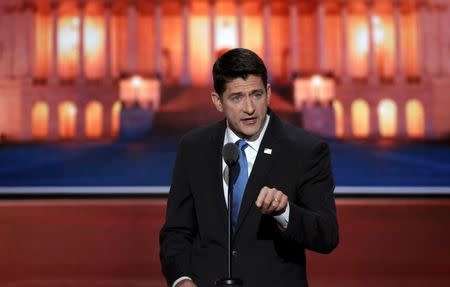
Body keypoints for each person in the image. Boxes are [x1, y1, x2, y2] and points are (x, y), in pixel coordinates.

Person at [160, 48, 339, 287]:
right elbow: (176, 232)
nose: (250, 108)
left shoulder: (306, 150)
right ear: (217, 101)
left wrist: (284, 212)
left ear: (268, 93)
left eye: (256, 94)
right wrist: (181, 280)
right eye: (237, 98)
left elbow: (326, 234)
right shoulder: (194, 148)